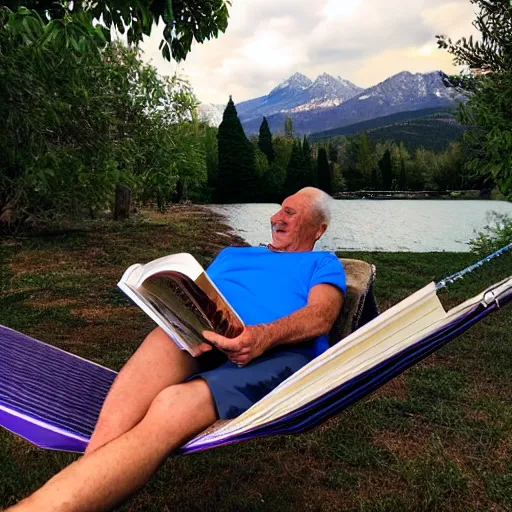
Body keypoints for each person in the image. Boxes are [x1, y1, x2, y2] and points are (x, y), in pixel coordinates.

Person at [9, 187, 346, 512]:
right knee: (159, 343)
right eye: (278, 209)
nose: (277, 217)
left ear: (319, 228)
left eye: (290, 211)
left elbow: (322, 316)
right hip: (206, 336)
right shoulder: (234, 254)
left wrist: (262, 336)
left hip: (274, 353)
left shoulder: (322, 264)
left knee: (171, 405)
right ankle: (91, 481)